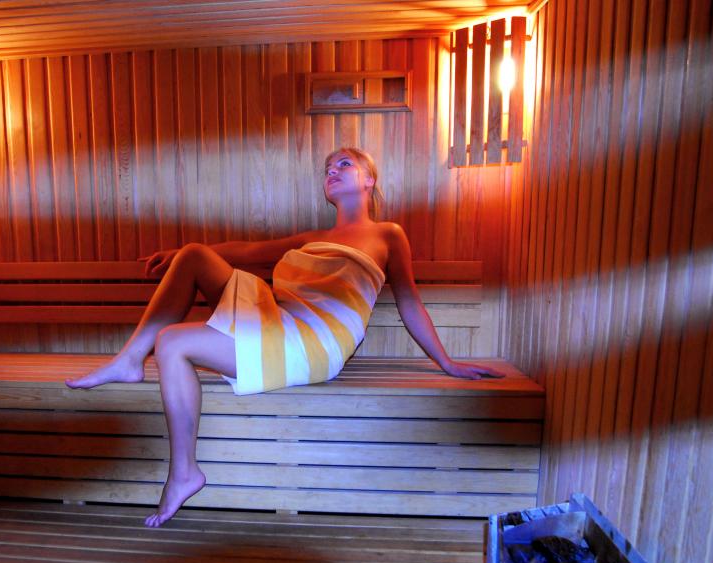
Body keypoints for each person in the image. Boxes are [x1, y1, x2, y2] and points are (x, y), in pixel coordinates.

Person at [66, 147, 503, 527]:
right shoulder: (314, 238)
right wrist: (178, 255)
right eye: (328, 169)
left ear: (369, 180)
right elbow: (247, 251)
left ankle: (184, 473)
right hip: (278, 319)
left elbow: (409, 301)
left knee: (173, 343)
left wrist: (447, 363)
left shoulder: (388, 234)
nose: (332, 171)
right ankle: (130, 361)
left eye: (344, 164)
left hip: (315, 341)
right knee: (195, 255)